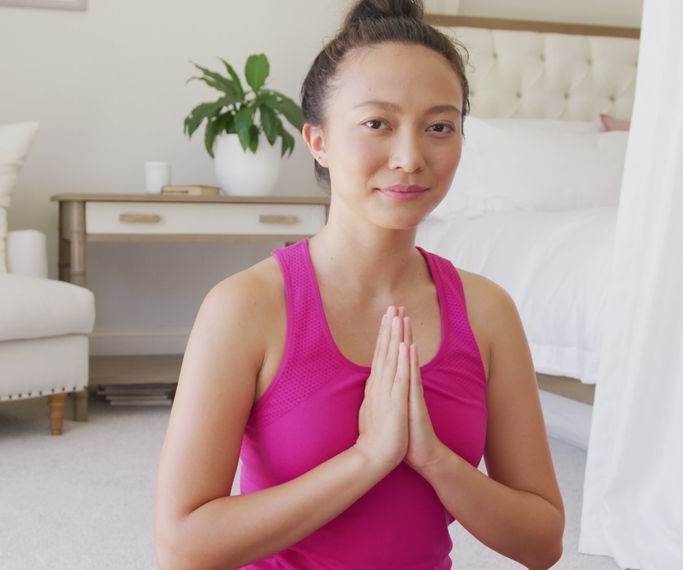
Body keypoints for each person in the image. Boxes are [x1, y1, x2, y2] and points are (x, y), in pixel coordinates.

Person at [154, 0, 564, 567]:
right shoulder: (245, 307)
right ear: (317, 140)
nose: (409, 157)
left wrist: (436, 461)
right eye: (377, 123)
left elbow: (543, 541)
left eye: (439, 127)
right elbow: (182, 548)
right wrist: (368, 457)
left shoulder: (487, 312)